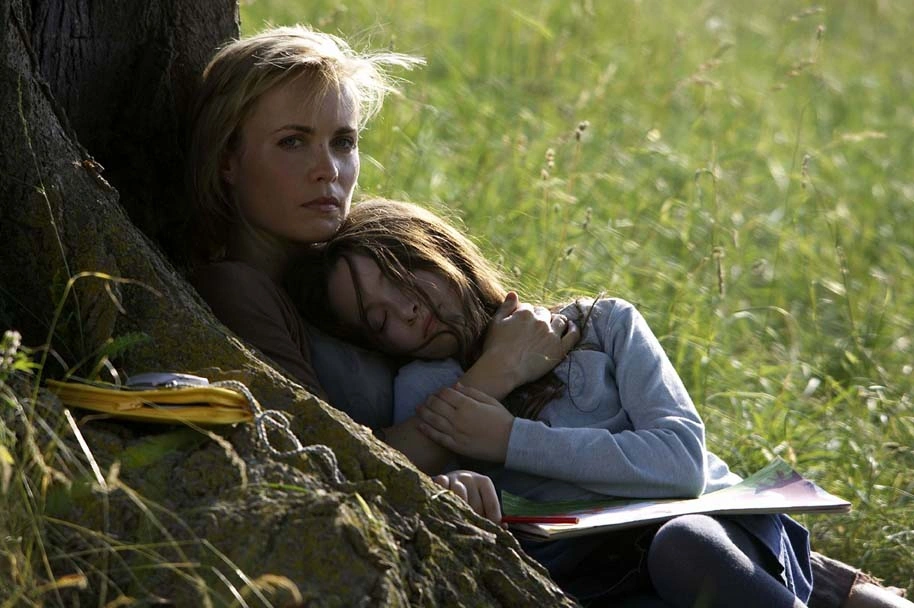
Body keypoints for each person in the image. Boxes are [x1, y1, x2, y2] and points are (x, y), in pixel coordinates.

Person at [302, 197, 911, 608]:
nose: (406, 311)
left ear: (442, 248)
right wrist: (456, 479)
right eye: (378, 320)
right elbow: (399, 471)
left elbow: (681, 464)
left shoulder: (604, 324)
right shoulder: (429, 391)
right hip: (602, 575)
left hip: (714, 532)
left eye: (404, 277)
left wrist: (511, 440)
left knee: (685, 545)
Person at [186, 25, 576, 516]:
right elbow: (330, 463)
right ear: (227, 160)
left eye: (343, 142)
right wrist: (497, 372)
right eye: (292, 142)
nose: (328, 170)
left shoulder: (361, 267)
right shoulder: (236, 290)